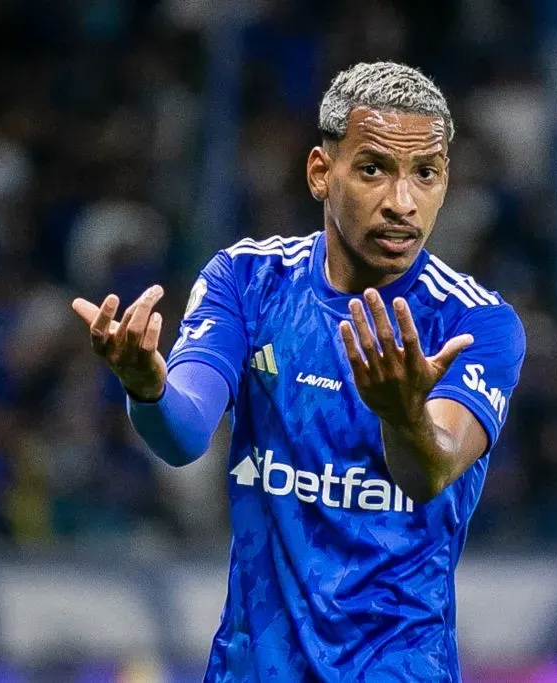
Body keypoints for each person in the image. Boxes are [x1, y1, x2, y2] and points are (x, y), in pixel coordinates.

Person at [72, 61, 525, 682]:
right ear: (321, 172)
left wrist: (401, 414)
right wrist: (145, 387)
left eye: (426, 173)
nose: (402, 202)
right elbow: (181, 436)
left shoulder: (477, 323)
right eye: (373, 169)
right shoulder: (248, 282)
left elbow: (431, 471)